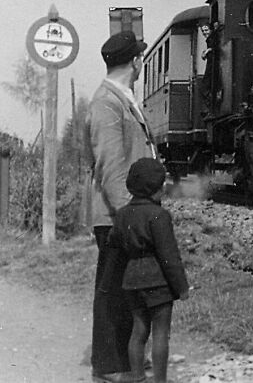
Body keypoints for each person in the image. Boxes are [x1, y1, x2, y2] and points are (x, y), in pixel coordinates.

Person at [87, 30, 157, 383]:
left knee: (128, 288)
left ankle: (125, 361)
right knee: (114, 288)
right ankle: (109, 366)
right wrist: (131, 216)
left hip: (125, 212)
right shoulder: (107, 102)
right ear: (135, 61)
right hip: (116, 215)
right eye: (140, 57)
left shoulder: (121, 98)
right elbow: (110, 166)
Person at [108, 158, 189, 383]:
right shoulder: (159, 216)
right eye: (161, 185)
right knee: (161, 333)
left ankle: (137, 377)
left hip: (132, 281)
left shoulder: (122, 214)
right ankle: (160, 381)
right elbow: (169, 257)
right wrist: (182, 287)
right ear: (155, 189)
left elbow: (113, 242)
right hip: (158, 282)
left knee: (139, 330)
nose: (164, 189)